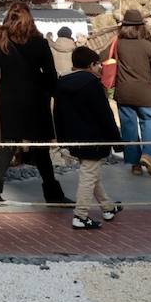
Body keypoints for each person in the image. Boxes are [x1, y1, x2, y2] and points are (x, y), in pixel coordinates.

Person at [0, 1, 71, 206]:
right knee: (41, 147)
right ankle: (53, 193)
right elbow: (50, 74)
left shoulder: (0, 42)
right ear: (30, 19)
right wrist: (53, 92)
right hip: (35, 99)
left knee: (9, 144)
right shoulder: (39, 42)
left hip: (9, 99)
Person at [53, 46, 123, 230]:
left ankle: (107, 207)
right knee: (88, 175)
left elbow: (57, 114)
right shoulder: (93, 84)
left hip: (73, 138)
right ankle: (81, 215)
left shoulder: (61, 83)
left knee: (91, 173)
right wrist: (117, 141)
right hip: (94, 138)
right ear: (91, 64)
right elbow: (105, 115)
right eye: (98, 64)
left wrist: (62, 141)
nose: (100, 68)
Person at [112, 9, 151, 178]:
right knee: (149, 121)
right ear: (141, 27)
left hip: (124, 92)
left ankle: (135, 164)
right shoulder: (150, 46)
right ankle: (148, 155)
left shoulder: (117, 44)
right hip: (146, 92)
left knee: (129, 127)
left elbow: (102, 59)